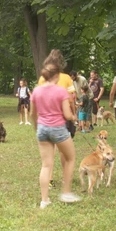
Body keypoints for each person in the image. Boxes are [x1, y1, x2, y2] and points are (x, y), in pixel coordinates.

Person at [30, 62, 81, 209]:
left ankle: (44, 200)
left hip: (42, 129)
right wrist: (73, 117)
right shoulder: (61, 91)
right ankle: (66, 192)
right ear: (57, 75)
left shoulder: (37, 90)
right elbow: (66, 114)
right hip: (58, 128)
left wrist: (36, 126)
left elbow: (33, 113)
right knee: (70, 158)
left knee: (46, 165)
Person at [37, 49, 77, 188]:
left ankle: (49, 181)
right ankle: (66, 178)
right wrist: (73, 115)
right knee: (65, 151)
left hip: (45, 119)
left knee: (48, 155)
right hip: (62, 118)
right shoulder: (66, 78)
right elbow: (71, 99)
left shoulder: (42, 79)